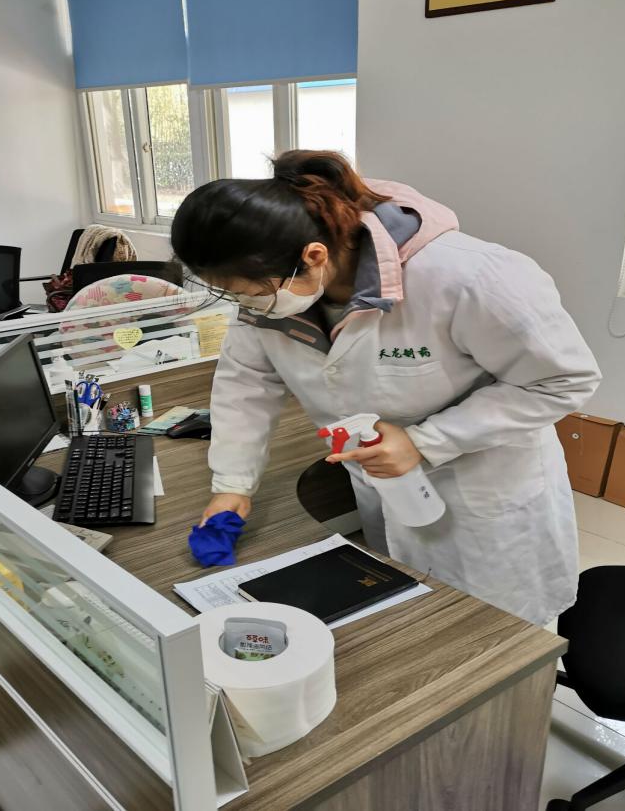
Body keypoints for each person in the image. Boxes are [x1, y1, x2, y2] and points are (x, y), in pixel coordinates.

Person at [171, 151, 601, 625]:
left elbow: (563, 379)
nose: (246, 305)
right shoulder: (270, 290)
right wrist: (232, 485)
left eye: (251, 293)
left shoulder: (469, 276)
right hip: (383, 486)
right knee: (410, 626)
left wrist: (425, 441)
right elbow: (246, 383)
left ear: (313, 257)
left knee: (500, 636)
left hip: (484, 494)